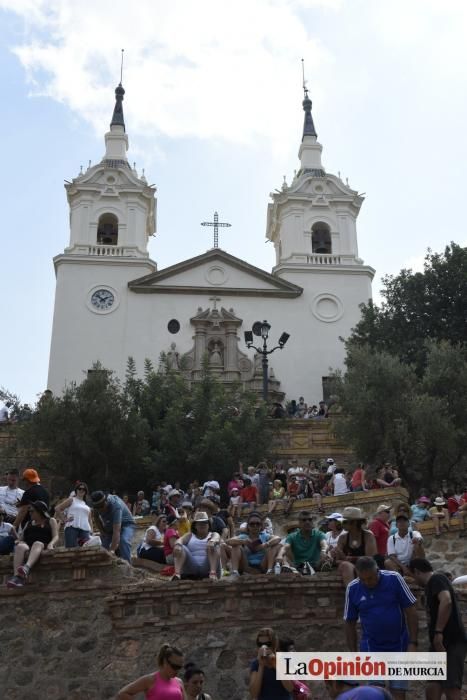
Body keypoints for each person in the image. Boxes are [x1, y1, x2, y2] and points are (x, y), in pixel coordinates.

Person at [344, 556, 418, 700]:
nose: (367, 582)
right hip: (371, 647)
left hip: (399, 645)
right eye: (362, 579)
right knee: (375, 692)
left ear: (378, 571)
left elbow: (410, 609)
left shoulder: (394, 579)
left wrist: (413, 642)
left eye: (370, 578)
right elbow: (349, 622)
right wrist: (353, 653)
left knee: (398, 692)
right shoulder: (353, 588)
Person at [409, 558, 467, 700]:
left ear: (416, 571)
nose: (414, 581)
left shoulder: (437, 579)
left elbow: (446, 600)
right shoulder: (430, 587)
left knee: (451, 689)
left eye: (413, 576)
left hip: (451, 642)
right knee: (432, 688)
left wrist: (438, 632)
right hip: (438, 645)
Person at [7, 500, 59, 588]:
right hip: (29, 545)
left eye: (32, 511)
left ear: (40, 511)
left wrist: (51, 544)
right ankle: (17, 577)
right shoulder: (29, 523)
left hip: (42, 545)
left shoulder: (50, 521)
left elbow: (56, 536)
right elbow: (20, 539)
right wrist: (18, 539)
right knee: (20, 546)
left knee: (37, 543)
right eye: (29, 511)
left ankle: (27, 567)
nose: (30, 513)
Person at [116, 643, 185, 699]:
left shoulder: (179, 682)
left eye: (180, 667)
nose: (177, 670)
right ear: (165, 662)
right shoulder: (150, 680)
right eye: (175, 666)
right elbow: (122, 693)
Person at [171, 511, 221, 581]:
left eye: (204, 523)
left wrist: (212, 541)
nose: (202, 525)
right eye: (199, 523)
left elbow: (217, 538)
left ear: (208, 525)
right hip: (192, 567)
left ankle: (213, 573)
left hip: (207, 566)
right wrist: (178, 545)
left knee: (215, 546)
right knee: (181, 547)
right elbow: (180, 540)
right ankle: (177, 574)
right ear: (195, 525)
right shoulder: (190, 535)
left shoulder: (213, 534)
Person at [228, 512, 281, 576]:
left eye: (257, 524)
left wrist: (265, 545)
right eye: (252, 524)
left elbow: (278, 538)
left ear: (261, 526)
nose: (255, 526)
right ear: (248, 526)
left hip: (262, 565)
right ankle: (235, 572)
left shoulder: (265, 536)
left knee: (274, 546)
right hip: (246, 565)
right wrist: (243, 542)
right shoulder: (244, 537)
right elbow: (228, 541)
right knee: (235, 546)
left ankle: (269, 571)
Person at [335, 507, 377, 586]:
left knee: (362, 566)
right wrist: (345, 560)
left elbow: (371, 558)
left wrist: (353, 558)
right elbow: (337, 560)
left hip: (365, 566)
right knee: (346, 566)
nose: (342, 524)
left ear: (354, 522)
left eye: (344, 522)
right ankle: (352, 594)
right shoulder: (342, 538)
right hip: (348, 567)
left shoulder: (368, 536)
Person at [90, 491, 136, 563]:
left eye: (102, 508)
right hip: (110, 526)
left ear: (106, 502)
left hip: (126, 524)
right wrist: (102, 532)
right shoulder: (97, 506)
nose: (101, 510)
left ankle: (127, 566)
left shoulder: (115, 506)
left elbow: (116, 531)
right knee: (104, 546)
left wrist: (112, 550)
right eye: (98, 509)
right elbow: (96, 518)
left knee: (124, 541)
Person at [281, 510, 330, 574]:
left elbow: (324, 544)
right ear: (299, 522)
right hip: (298, 565)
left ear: (312, 521)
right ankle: (288, 568)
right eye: (304, 520)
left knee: (328, 552)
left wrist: (323, 551)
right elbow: (285, 547)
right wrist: (279, 555)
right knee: (283, 556)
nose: (307, 522)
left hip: (316, 565)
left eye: (310, 519)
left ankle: (325, 565)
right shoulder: (292, 536)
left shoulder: (319, 534)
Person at [250, 627, 294, 700]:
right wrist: (261, 666)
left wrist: (275, 663)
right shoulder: (256, 663)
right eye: (260, 644)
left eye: (268, 643)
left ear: (274, 644)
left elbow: (290, 688)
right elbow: (254, 694)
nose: (264, 647)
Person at [54, 481, 92, 547]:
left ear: (86, 492)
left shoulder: (87, 505)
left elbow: (89, 520)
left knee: (86, 550)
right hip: (72, 528)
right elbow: (57, 508)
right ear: (76, 490)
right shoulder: (71, 499)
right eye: (80, 488)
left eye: (84, 489)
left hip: (85, 530)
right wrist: (64, 519)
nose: (81, 490)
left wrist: (92, 531)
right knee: (70, 549)